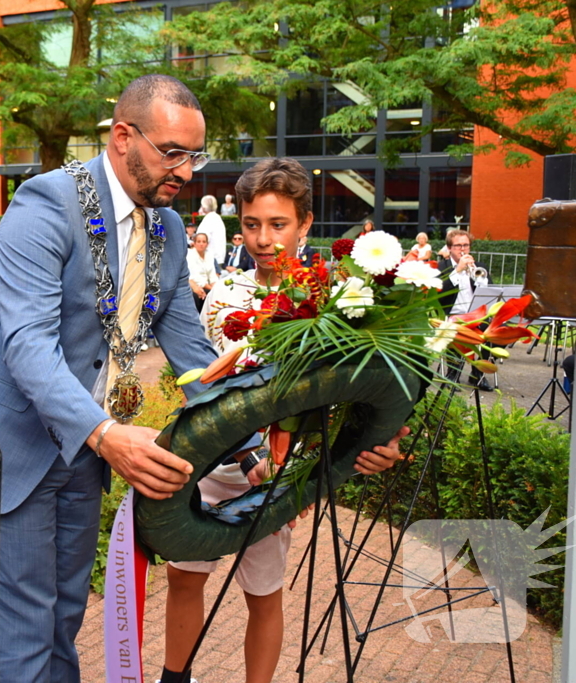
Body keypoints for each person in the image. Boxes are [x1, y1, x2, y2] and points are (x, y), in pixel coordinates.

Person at [0, 74, 227, 681]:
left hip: (83, 450)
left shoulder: (168, 228)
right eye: (172, 153)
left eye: (195, 155)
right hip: (11, 442)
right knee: (24, 635)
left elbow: (192, 352)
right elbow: (27, 344)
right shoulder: (46, 202)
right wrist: (106, 435)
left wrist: (247, 441)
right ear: (123, 137)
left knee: (63, 619)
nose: (186, 171)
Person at [162, 157, 408, 683]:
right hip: (212, 465)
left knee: (263, 594)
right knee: (183, 579)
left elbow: (365, 394)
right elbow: (199, 385)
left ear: (305, 223)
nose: (263, 239)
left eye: (278, 224)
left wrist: (372, 444)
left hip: (277, 479)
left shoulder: (340, 304)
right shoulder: (224, 295)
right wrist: (246, 452)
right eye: (252, 224)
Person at [438, 229, 493, 390]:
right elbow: (439, 291)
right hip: (452, 314)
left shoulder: (479, 267)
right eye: (458, 245)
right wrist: (457, 271)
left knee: (496, 332)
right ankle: (453, 373)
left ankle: (478, 373)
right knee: (455, 331)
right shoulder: (441, 267)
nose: (462, 249)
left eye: (466, 245)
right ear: (449, 248)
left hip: (476, 315)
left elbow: (490, 292)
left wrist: (478, 278)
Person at [194, 194, 226, 272]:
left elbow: (201, 240)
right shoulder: (217, 218)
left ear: (204, 207)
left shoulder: (208, 220)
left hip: (209, 259)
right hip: (218, 258)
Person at [186, 232, 217, 312]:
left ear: (207, 244)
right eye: (199, 241)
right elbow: (195, 277)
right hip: (193, 284)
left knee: (217, 294)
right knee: (199, 295)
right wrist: (210, 288)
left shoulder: (209, 255)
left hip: (207, 286)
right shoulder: (190, 254)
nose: (201, 244)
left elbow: (212, 276)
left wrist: (216, 287)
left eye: (204, 242)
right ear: (194, 243)